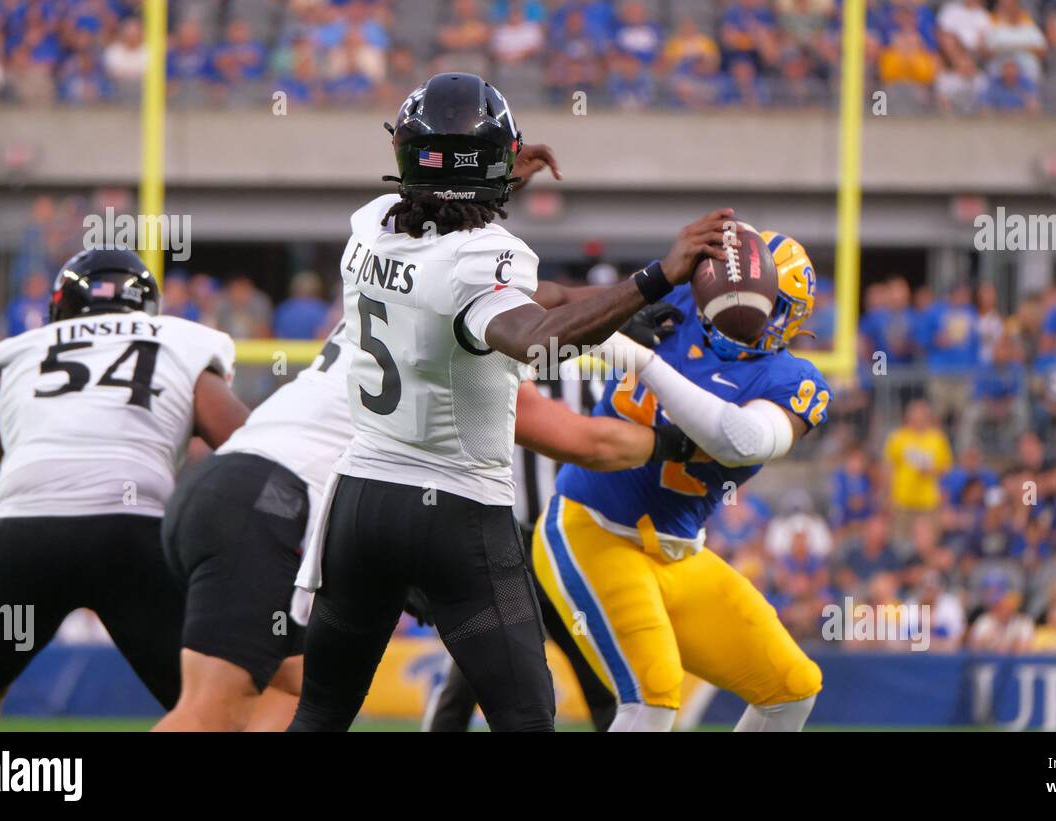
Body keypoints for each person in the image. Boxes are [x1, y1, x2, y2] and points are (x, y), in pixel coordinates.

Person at [287, 73, 730, 733]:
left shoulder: (370, 228)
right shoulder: (483, 257)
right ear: (495, 161)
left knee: (320, 713)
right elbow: (529, 336)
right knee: (526, 718)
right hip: (456, 510)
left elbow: (453, 250)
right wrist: (654, 278)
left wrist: (492, 182)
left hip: (361, 502)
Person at [0, 249, 250, 732]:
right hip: (133, 532)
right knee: (204, 701)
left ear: (59, 309)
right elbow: (251, 451)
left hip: (20, 536)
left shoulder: (23, 352)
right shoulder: (179, 343)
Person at [532, 230, 828, 732]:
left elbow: (743, 440)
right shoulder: (680, 298)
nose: (738, 307)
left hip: (678, 552)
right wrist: (617, 307)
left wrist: (638, 358)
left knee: (792, 687)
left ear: (790, 315)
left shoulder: (793, 379)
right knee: (653, 696)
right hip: (593, 528)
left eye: (765, 301)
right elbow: (554, 299)